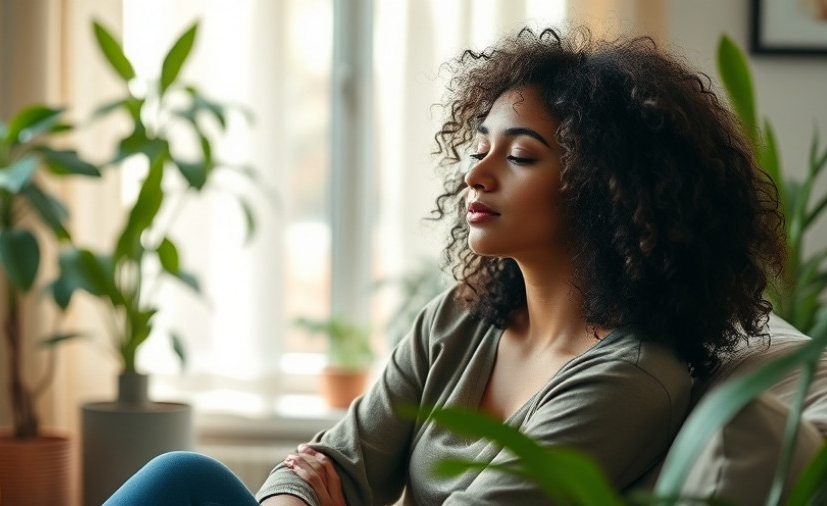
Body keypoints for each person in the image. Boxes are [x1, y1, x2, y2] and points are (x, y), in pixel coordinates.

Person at [104, 26, 785, 505]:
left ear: (605, 190)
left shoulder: (631, 377)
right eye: (479, 147)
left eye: (519, 157)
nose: (478, 173)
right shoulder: (462, 318)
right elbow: (334, 460)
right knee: (181, 475)